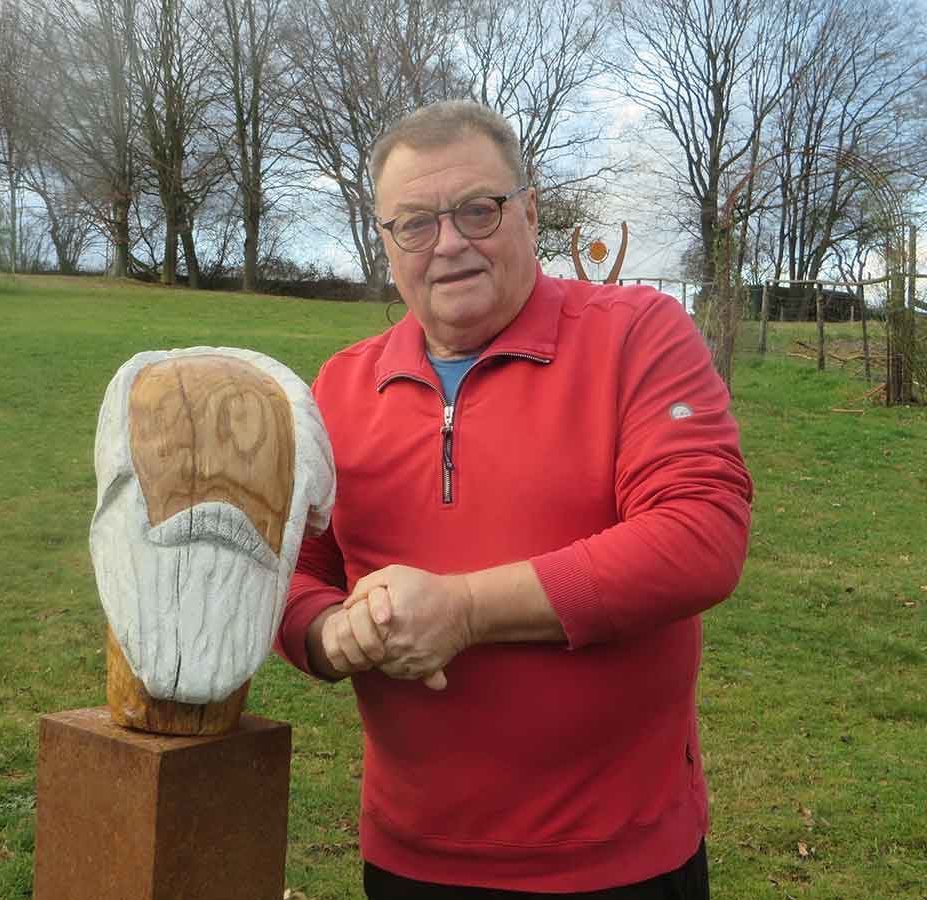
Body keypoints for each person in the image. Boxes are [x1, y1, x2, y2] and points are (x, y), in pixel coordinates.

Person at [276, 101, 753, 899]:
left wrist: (462, 610)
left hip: (618, 858)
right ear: (387, 243)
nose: (451, 242)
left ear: (530, 213)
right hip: (412, 857)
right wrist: (331, 634)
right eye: (416, 224)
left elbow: (699, 534)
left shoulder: (637, 334)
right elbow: (293, 571)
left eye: (478, 210)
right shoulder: (340, 387)